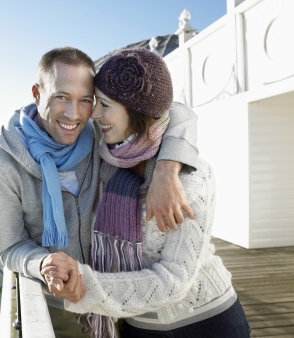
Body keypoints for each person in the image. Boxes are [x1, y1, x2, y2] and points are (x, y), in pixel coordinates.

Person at [0, 46, 199, 338]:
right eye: (61, 97)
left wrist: (166, 170)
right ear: (37, 94)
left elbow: (177, 112)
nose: (73, 114)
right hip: (60, 303)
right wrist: (42, 263)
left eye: (85, 101)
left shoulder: (97, 133)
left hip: (116, 293)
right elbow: (12, 246)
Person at [41, 48, 250, 338]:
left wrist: (83, 283)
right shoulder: (102, 159)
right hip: (138, 325)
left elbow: (175, 280)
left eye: (105, 104)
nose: (93, 114)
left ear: (136, 111)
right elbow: (177, 110)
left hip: (207, 322)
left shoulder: (191, 176)